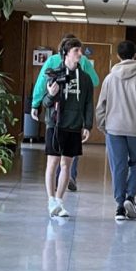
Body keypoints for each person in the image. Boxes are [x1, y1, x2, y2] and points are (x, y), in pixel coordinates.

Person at [95, 40, 136, 221]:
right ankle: (130, 196)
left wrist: (102, 125)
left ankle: (120, 206)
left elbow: (101, 106)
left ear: (118, 56)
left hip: (114, 129)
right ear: (135, 56)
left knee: (118, 166)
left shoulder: (109, 79)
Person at [32, 34, 99, 191]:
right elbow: (95, 80)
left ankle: (59, 183)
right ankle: (70, 177)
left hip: (61, 118)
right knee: (67, 160)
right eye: (76, 49)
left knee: (56, 159)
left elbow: (41, 82)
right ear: (67, 51)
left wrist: (35, 104)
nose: (79, 53)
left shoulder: (52, 61)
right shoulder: (83, 63)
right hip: (68, 118)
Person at [42, 38, 94, 217]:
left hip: (74, 126)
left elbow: (88, 103)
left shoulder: (85, 79)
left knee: (67, 165)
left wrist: (87, 125)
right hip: (55, 125)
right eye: (76, 51)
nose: (80, 54)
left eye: (80, 50)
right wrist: (51, 94)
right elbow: (45, 102)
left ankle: (59, 200)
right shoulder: (54, 74)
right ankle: (50, 200)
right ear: (66, 54)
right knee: (53, 162)